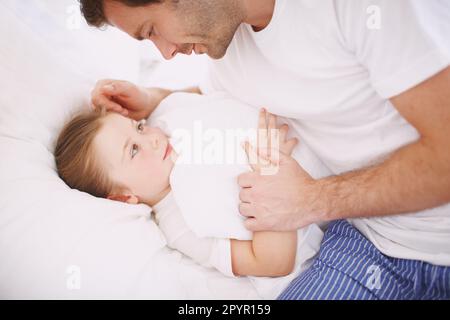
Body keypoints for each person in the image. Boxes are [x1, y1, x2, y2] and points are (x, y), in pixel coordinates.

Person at [80, 0, 450, 299]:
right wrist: (151, 98)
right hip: (366, 241)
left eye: (152, 31)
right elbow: (210, 99)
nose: (166, 53)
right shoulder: (230, 48)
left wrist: (311, 199)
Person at [54, 105, 302, 282]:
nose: (151, 139)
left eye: (139, 128)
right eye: (133, 151)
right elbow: (272, 262)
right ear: (122, 197)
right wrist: (271, 172)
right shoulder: (180, 227)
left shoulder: (175, 132)